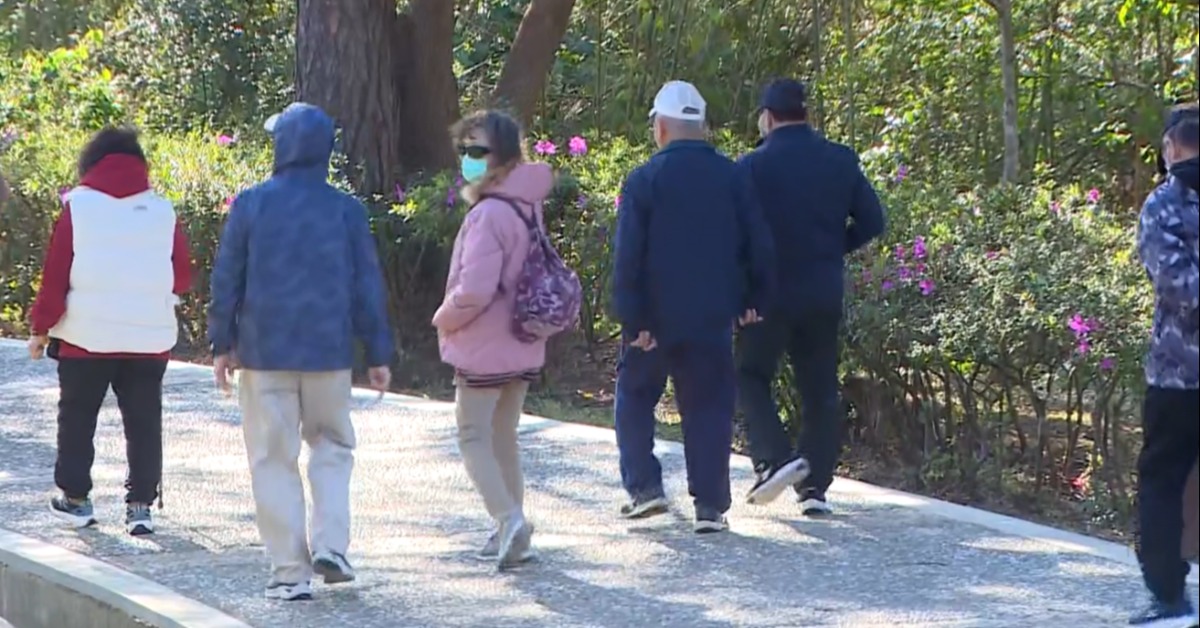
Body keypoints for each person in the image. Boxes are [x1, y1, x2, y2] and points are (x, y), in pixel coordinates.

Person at [208, 102, 394, 602]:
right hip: (329, 354)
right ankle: (332, 545)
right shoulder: (346, 210)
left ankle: (290, 570)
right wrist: (378, 351)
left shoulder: (251, 204)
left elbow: (228, 277)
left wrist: (222, 343)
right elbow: (366, 285)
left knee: (273, 458)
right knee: (333, 447)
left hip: (264, 354)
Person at [612, 80, 775, 533]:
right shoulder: (734, 176)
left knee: (635, 397)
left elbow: (628, 256)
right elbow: (757, 244)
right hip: (711, 316)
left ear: (661, 127)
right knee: (708, 406)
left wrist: (633, 319)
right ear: (702, 127)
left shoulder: (644, 179)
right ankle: (710, 506)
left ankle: (644, 489)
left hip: (655, 321)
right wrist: (752, 300)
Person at [26, 127, 193, 537]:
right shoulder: (162, 210)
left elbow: (56, 277)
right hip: (148, 339)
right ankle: (140, 507)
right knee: (143, 420)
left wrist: (40, 328)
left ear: (91, 162)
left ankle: (77, 499)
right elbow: (183, 277)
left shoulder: (76, 208)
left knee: (78, 415)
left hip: (86, 337)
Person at [735, 79, 885, 513]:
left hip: (769, 293)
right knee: (819, 389)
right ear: (806, 114)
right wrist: (830, 249)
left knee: (751, 375)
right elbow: (873, 220)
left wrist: (740, 292)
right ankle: (814, 488)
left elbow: (739, 238)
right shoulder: (839, 160)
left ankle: (775, 459)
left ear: (767, 116)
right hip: (822, 291)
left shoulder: (752, 166)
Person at [432, 110, 553, 569]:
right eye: (465, 151)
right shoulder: (527, 205)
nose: (468, 159)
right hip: (523, 338)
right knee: (504, 434)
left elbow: (476, 289)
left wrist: (445, 317)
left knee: (472, 434)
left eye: (478, 151)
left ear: (502, 157)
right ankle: (511, 522)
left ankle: (507, 520)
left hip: (483, 343)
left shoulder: (488, 214)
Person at [1129, 103, 1199, 628]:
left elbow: (1175, 284)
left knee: (1161, 479)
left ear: (1171, 147)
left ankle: (1168, 595)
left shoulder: (1165, 202)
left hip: (1179, 374)